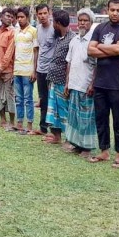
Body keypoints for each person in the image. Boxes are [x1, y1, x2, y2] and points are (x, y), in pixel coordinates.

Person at [87, 0, 119, 167]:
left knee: (118, 120)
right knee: (100, 118)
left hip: (118, 82)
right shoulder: (100, 27)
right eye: (112, 10)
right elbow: (90, 50)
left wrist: (101, 47)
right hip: (100, 81)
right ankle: (104, 151)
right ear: (106, 10)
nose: (115, 13)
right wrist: (112, 49)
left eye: (118, 10)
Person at [65, 8, 97, 157]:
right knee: (74, 117)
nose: (82, 23)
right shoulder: (74, 40)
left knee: (86, 118)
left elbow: (96, 65)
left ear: (91, 22)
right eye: (80, 20)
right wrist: (67, 83)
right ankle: (76, 144)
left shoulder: (93, 41)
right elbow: (69, 63)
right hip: (74, 84)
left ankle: (86, 147)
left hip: (86, 85)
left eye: (86, 21)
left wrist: (92, 84)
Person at [44, 10, 75, 144]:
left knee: (64, 111)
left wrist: (68, 82)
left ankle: (69, 139)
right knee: (53, 110)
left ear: (58, 23)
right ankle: (56, 137)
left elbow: (71, 62)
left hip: (63, 80)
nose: (52, 25)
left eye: (53, 22)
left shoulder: (72, 38)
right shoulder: (58, 37)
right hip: (53, 80)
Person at [13, 6, 38, 134]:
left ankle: (29, 125)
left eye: (22, 17)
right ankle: (19, 123)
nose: (20, 19)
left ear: (27, 17)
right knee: (18, 98)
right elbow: (14, 50)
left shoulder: (33, 31)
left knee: (28, 99)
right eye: (18, 17)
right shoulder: (15, 31)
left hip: (28, 71)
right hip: (17, 70)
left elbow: (36, 51)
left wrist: (34, 71)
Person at [33, 4, 55, 136]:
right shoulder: (38, 29)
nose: (42, 16)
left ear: (49, 13)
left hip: (51, 71)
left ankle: (53, 130)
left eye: (45, 13)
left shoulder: (54, 29)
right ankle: (42, 128)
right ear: (37, 15)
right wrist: (35, 69)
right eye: (40, 14)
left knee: (52, 100)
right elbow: (37, 50)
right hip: (40, 69)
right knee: (43, 99)